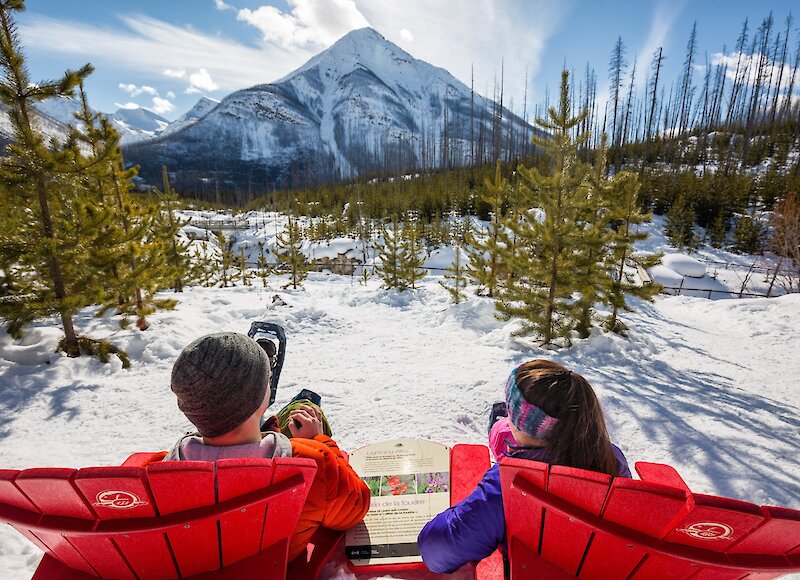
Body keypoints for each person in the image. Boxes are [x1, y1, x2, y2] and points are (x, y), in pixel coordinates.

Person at [165, 332, 370, 563]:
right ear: (263, 396)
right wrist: (319, 441)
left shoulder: (158, 478)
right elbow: (355, 507)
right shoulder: (311, 464)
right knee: (305, 405)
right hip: (282, 565)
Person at [417, 359, 631, 574]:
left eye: (511, 414)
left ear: (524, 425)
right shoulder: (611, 458)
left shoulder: (508, 486)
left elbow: (438, 551)